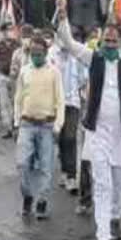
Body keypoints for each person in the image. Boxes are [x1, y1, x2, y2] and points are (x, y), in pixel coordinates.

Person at [56, 0, 121, 240]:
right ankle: (103, 239)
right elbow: (69, 43)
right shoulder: (92, 58)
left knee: (120, 183)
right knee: (102, 185)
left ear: (120, 43)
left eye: (113, 41)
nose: (109, 45)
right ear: (101, 42)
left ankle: (115, 217)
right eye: (106, 41)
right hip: (96, 133)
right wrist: (63, 17)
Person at [15, 36, 65, 220]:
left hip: (46, 125)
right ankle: (27, 195)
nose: (36, 56)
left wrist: (58, 126)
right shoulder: (24, 71)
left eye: (39, 53)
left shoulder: (54, 72)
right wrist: (15, 123)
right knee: (22, 163)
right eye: (33, 53)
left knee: (46, 166)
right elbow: (18, 99)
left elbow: (60, 101)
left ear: (45, 52)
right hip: (26, 124)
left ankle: (42, 201)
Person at [50, 29, 88, 194]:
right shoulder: (50, 55)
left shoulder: (77, 55)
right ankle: (65, 170)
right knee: (60, 137)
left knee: (71, 137)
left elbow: (83, 78)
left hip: (72, 102)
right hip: (54, 104)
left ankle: (72, 176)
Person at [6, 24, 35, 139]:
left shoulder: (38, 52)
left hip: (35, 88)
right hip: (20, 87)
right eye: (24, 36)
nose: (26, 39)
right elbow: (13, 71)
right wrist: (12, 83)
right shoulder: (17, 53)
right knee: (18, 108)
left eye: (28, 36)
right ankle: (17, 129)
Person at [0, 23, 20, 138]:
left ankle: (16, 127)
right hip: (3, 76)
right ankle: (8, 128)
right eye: (7, 30)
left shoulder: (18, 45)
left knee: (16, 102)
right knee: (4, 104)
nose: (9, 32)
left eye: (11, 29)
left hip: (16, 77)